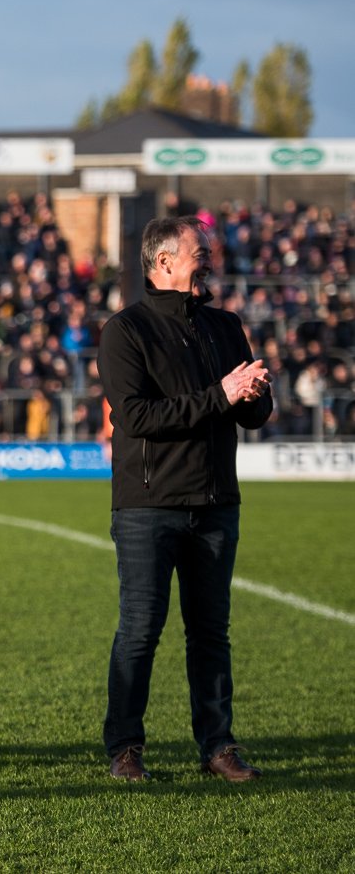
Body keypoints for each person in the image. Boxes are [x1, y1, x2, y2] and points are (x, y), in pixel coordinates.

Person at [98, 216, 272, 783]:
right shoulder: (125, 330)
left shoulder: (225, 325)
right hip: (149, 504)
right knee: (141, 629)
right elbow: (140, 417)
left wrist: (253, 395)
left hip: (217, 500)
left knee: (211, 631)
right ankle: (125, 748)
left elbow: (251, 416)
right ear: (164, 261)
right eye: (200, 252)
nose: (210, 260)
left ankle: (217, 745)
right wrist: (221, 394)